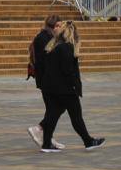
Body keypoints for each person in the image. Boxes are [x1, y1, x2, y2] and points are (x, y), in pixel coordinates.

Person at [38, 21, 105, 153]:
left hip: (51, 88)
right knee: (76, 117)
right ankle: (88, 141)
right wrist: (74, 87)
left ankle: (46, 144)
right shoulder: (67, 47)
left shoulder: (53, 47)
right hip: (65, 89)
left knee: (52, 115)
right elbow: (68, 71)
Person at [27, 15, 65, 150]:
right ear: (52, 26)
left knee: (53, 109)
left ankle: (47, 138)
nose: (61, 28)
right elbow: (48, 60)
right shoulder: (45, 38)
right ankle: (39, 129)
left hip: (47, 79)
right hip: (48, 80)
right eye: (59, 26)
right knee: (57, 108)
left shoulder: (46, 37)